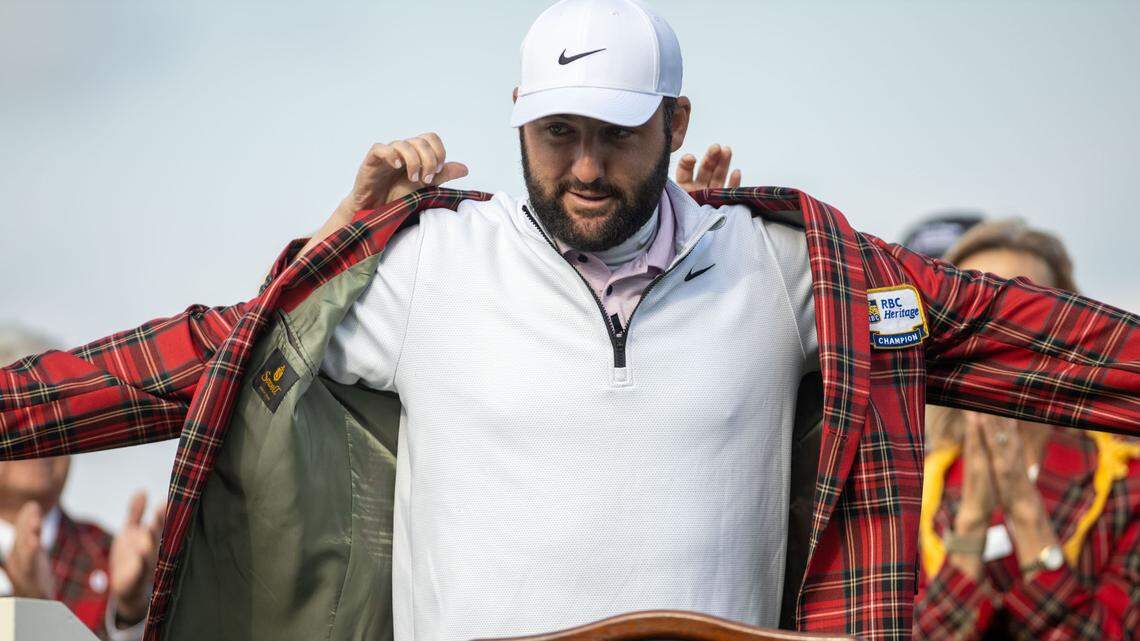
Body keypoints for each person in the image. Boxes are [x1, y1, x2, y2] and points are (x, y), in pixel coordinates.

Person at [1, 1, 1138, 640]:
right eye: (558, 136)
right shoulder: (429, 262)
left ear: (676, 120)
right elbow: (204, 355)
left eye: (617, 135)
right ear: (517, 120)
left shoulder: (787, 267)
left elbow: (1028, 335)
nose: (586, 169)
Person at [912, 221, 1140, 641]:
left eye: (1025, 316)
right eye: (976, 318)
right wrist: (971, 523)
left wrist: (1025, 509)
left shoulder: (1126, 481)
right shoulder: (918, 486)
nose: (1000, 342)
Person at [0, 326, 166, 640]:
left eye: (55, 417)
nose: (39, 434)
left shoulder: (113, 560)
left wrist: (130, 611)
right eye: (19, 416)